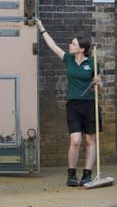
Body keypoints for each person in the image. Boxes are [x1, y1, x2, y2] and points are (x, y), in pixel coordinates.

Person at [36, 18, 103, 187]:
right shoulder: (68, 59)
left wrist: (97, 83)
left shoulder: (92, 63)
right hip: (73, 105)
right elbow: (53, 46)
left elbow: (100, 86)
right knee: (75, 140)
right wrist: (42, 28)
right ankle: (71, 174)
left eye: (73, 44)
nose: (70, 45)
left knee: (89, 140)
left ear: (81, 49)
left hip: (90, 105)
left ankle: (87, 174)